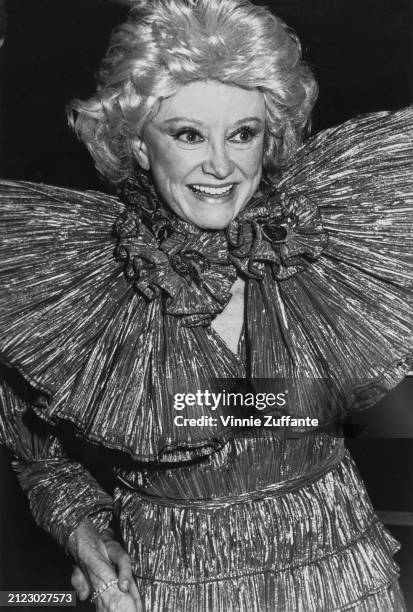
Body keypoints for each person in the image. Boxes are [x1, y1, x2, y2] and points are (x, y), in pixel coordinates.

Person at [0, 0, 412, 610]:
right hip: (176, 581)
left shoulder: (322, 242)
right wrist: (82, 532)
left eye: (243, 133)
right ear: (138, 145)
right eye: (188, 134)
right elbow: (34, 451)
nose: (221, 165)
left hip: (343, 572)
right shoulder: (71, 272)